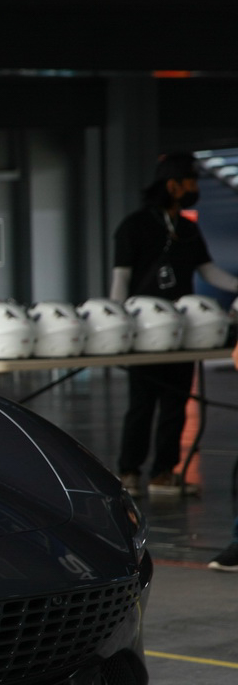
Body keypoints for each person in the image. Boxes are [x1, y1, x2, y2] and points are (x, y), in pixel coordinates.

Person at [112, 152, 238, 496]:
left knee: (176, 403)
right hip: (145, 335)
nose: (196, 187)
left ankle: (164, 472)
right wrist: (119, 322)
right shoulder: (134, 227)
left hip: (184, 333)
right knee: (142, 404)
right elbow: (121, 281)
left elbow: (209, 271)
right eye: (191, 181)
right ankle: (129, 471)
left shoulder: (188, 229)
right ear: (174, 185)